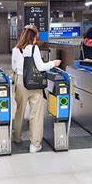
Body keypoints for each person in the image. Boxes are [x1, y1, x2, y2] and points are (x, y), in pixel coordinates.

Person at [11, 25, 61, 153]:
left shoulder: (16, 49)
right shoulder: (34, 49)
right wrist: (53, 63)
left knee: (19, 111)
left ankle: (16, 137)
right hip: (34, 83)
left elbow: (14, 67)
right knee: (36, 114)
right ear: (34, 36)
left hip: (21, 81)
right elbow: (40, 67)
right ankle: (35, 144)